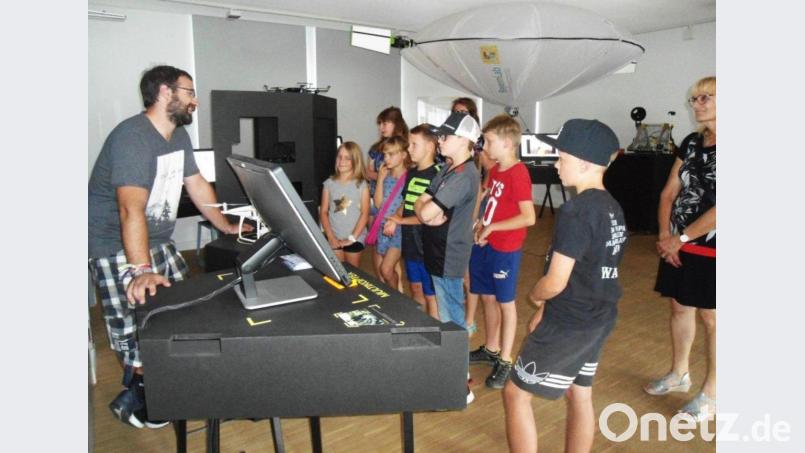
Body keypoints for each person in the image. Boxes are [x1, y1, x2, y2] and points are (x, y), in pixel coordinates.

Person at [88, 65, 245, 428]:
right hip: (116, 245)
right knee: (136, 329)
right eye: (189, 92)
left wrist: (225, 224)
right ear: (164, 92)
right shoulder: (133, 137)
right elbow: (131, 208)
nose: (195, 101)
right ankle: (140, 398)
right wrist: (139, 271)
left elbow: (197, 184)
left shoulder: (177, 137)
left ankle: (175, 383)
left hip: (157, 239)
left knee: (185, 309)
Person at [503, 119, 626, 453]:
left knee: (515, 393)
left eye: (562, 158)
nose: (556, 165)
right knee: (579, 393)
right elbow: (590, 272)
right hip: (598, 317)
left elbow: (555, 281)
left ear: (584, 162)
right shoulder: (612, 208)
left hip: (570, 323)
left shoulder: (576, 211)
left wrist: (535, 297)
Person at [644, 76, 717, 421]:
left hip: (713, 246)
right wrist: (664, 236)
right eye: (694, 99)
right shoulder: (690, 142)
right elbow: (668, 193)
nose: (698, 103)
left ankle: (713, 393)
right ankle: (679, 374)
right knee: (679, 308)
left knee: (713, 318)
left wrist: (681, 238)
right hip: (677, 244)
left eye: (706, 97)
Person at [415, 111, 481, 404]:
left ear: (465, 140)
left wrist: (428, 212)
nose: (439, 141)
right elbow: (420, 204)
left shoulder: (465, 175)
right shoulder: (447, 169)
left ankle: (461, 384)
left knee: (452, 320)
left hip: (448, 256)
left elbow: (427, 211)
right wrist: (426, 212)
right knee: (446, 316)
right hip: (436, 252)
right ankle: (453, 372)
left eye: (445, 136)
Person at [468, 115, 535, 389]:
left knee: (506, 303)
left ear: (508, 143)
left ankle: (506, 359)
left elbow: (528, 217)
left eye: (490, 141)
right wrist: (482, 226)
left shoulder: (518, 173)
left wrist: (493, 227)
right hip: (487, 245)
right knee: (487, 295)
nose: (486, 146)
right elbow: (491, 206)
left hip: (506, 250)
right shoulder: (495, 170)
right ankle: (492, 348)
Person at [386, 124, 441, 318]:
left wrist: (399, 221)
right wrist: (397, 217)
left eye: (413, 145)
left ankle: (436, 333)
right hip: (410, 244)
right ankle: (421, 327)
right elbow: (406, 201)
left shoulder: (438, 175)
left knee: (432, 295)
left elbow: (428, 217)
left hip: (428, 247)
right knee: (416, 289)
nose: (409, 149)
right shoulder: (411, 173)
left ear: (430, 147)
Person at [320, 141, 371, 268]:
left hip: (355, 237)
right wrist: (331, 237)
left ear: (355, 161)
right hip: (334, 236)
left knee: (353, 274)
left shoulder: (361, 184)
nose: (341, 161)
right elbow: (324, 211)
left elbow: (365, 213)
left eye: (347, 158)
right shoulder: (329, 183)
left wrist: (352, 238)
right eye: (339, 157)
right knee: (338, 273)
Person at [372, 136, 410, 290]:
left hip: (399, 228)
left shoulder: (409, 177)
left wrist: (396, 219)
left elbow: (407, 201)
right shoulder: (385, 176)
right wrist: (380, 179)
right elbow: (378, 203)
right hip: (382, 226)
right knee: (387, 271)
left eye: (391, 154)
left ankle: (396, 296)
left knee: (386, 270)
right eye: (385, 154)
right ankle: (396, 293)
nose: (386, 158)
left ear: (403, 154)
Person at [366, 107, 410, 203]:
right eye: (379, 124)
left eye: (384, 123)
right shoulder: (375, 149)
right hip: (376, 197)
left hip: (400, 198)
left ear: (396, 124)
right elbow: (368, 173)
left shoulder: (408, 146)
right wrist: (383, 177)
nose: (381, 127)